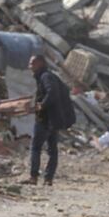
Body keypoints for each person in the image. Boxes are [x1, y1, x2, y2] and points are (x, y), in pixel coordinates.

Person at [25, 56, 73, 186]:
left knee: (36, 148)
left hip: (45, 119)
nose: (30, 66)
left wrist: (42, 105)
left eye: (32, 63)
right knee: (52, 150)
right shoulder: (47, 76)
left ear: (40, 63)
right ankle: (48, 179)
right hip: (54, 119)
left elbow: (52, 92)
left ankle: (34, 177)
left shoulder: (45, 77)